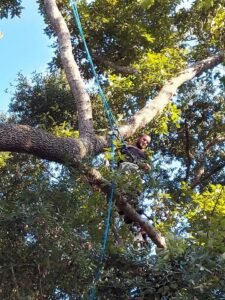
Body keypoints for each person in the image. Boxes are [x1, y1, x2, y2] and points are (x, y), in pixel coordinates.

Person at [116, 134, 151, 223]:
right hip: (126, 166)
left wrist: (147, 167)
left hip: (136, 172)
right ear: (139, 138)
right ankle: (122, 204)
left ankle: (130, 212)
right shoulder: (128, 145)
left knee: (137, 188)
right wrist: (122, 149)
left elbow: (144, 167)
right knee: (126, 183)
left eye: (147, 142)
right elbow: (117, 153)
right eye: (144, 139)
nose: (145, 142)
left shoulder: (144, 155)